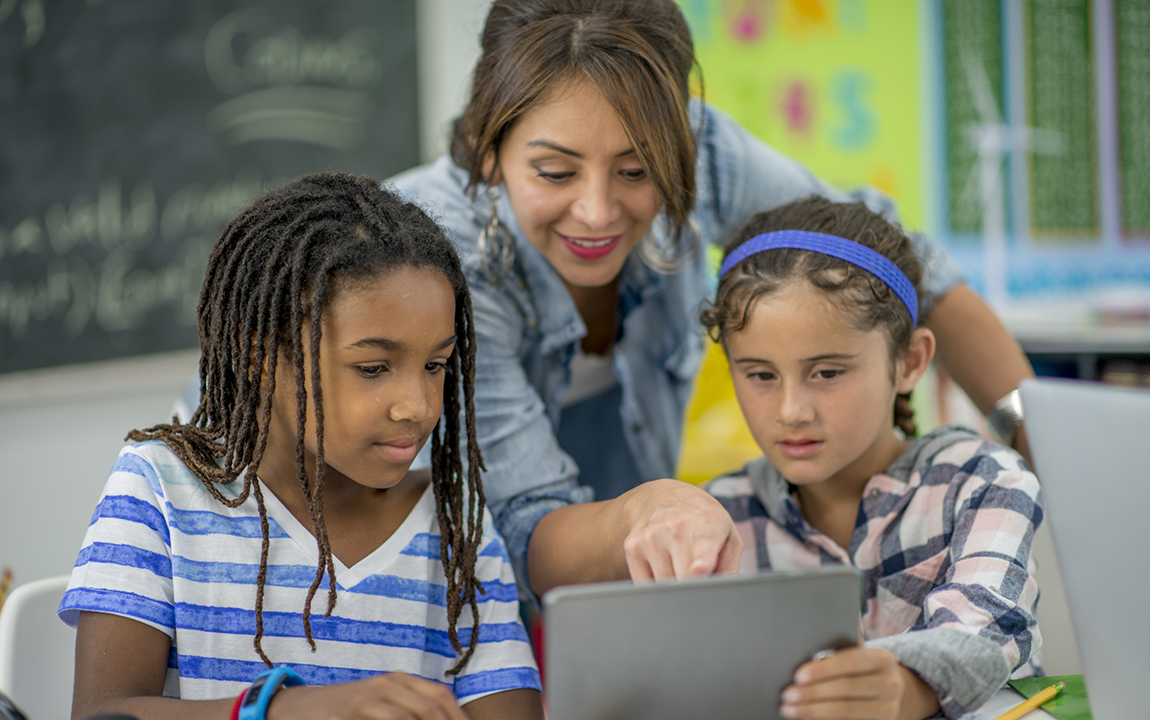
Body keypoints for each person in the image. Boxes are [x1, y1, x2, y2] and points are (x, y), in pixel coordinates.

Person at [383, 0, 1036, 601]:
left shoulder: (696, 149)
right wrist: (643, 512)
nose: (597, 211)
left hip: (635, 554)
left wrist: (1039, 451)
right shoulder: (439, 259)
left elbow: (898, 266)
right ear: (489, 152)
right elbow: (525, 524)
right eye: (555, 172)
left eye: (637, 171)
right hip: (467, 573)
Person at [58, 173, 543, 720]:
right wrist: (289, 711)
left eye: (435, 365)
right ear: (261, 355)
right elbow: (103, 713)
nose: (417, 404)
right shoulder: (160, 490)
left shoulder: (457, 525)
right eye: (373, 368)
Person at [700, 196, 1043, 720]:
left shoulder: (984, 481)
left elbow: (991, 624)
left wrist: (908, 683)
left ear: (909, 362)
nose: (791, 411)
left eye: (828, 372)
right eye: (761, 375)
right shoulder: (718, 517)